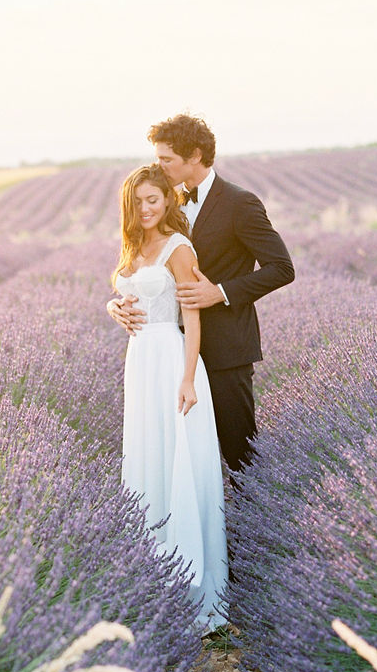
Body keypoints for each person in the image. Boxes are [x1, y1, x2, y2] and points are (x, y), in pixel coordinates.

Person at [108, 114, 294, 474]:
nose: (158, 166)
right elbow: (144, 267)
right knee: (179, 458)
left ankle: (253, 528)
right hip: (172, 355)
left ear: (194, 155)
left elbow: (282, 269)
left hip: (225, 350)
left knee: (238, 454)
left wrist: (220, 292)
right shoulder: (164, 201)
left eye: (166, 159)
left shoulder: (241, 203)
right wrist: (116, 305)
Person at [112, 162, 228, 630]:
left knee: (178, 460)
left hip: (171, 359)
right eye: (137, 202)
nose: (144, 208)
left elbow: (193, 315)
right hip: (139, 363)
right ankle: (153, 584)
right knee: (148, 456)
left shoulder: (179, 248)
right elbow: (119, 285)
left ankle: (195, 591)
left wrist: (187, 379)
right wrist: (111, 305)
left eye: (152, 200)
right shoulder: (133, 245)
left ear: (167, 200)